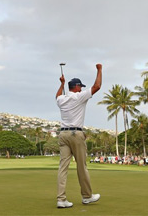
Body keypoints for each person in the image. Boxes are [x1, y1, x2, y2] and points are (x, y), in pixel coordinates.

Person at [55, 64, 102, 209]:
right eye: (80, 86)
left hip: (63, 134)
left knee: (63, 167)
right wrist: (99, 70)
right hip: (76, 134)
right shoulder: (79, 97)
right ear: (75, 87)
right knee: (81, 166)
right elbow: (97, 86)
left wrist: (61, 84)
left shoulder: (62, 99)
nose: (81, 89)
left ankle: (61, 199)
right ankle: (87, 196)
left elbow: (57, 96)